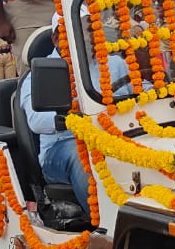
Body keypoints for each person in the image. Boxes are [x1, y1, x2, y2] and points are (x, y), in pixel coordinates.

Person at [21, 13, 132, 217]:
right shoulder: (41, 73)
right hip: (63, 146)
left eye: (89, 29)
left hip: (116, 135)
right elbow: (36, 119)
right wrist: (73, 119)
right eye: (76, 30)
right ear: (56, 38)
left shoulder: (115, 64)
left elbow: (142, 91)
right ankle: (109, 226)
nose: (86, 36)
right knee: (85, 156)